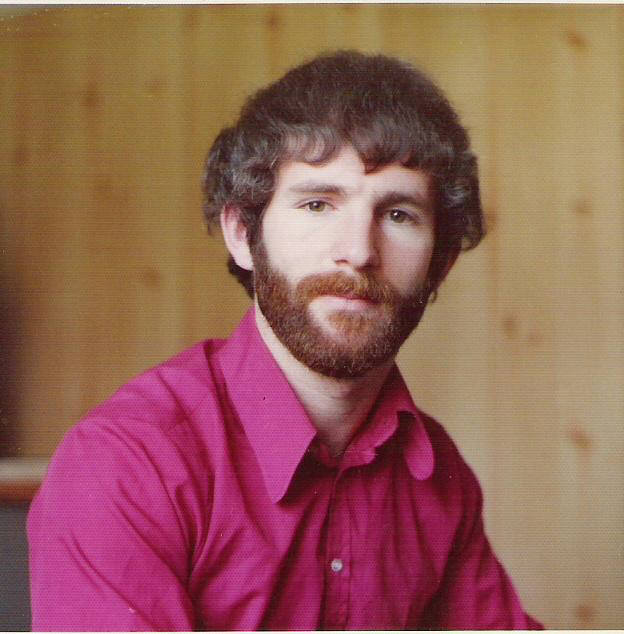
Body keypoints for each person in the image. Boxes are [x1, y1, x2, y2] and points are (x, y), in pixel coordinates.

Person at [28, 51, 541, 630]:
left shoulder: (437, 475)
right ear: (242, 234)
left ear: (440, 264)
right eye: (318, 204)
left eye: (398, 214)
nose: (358, 251)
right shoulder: (124, 466)